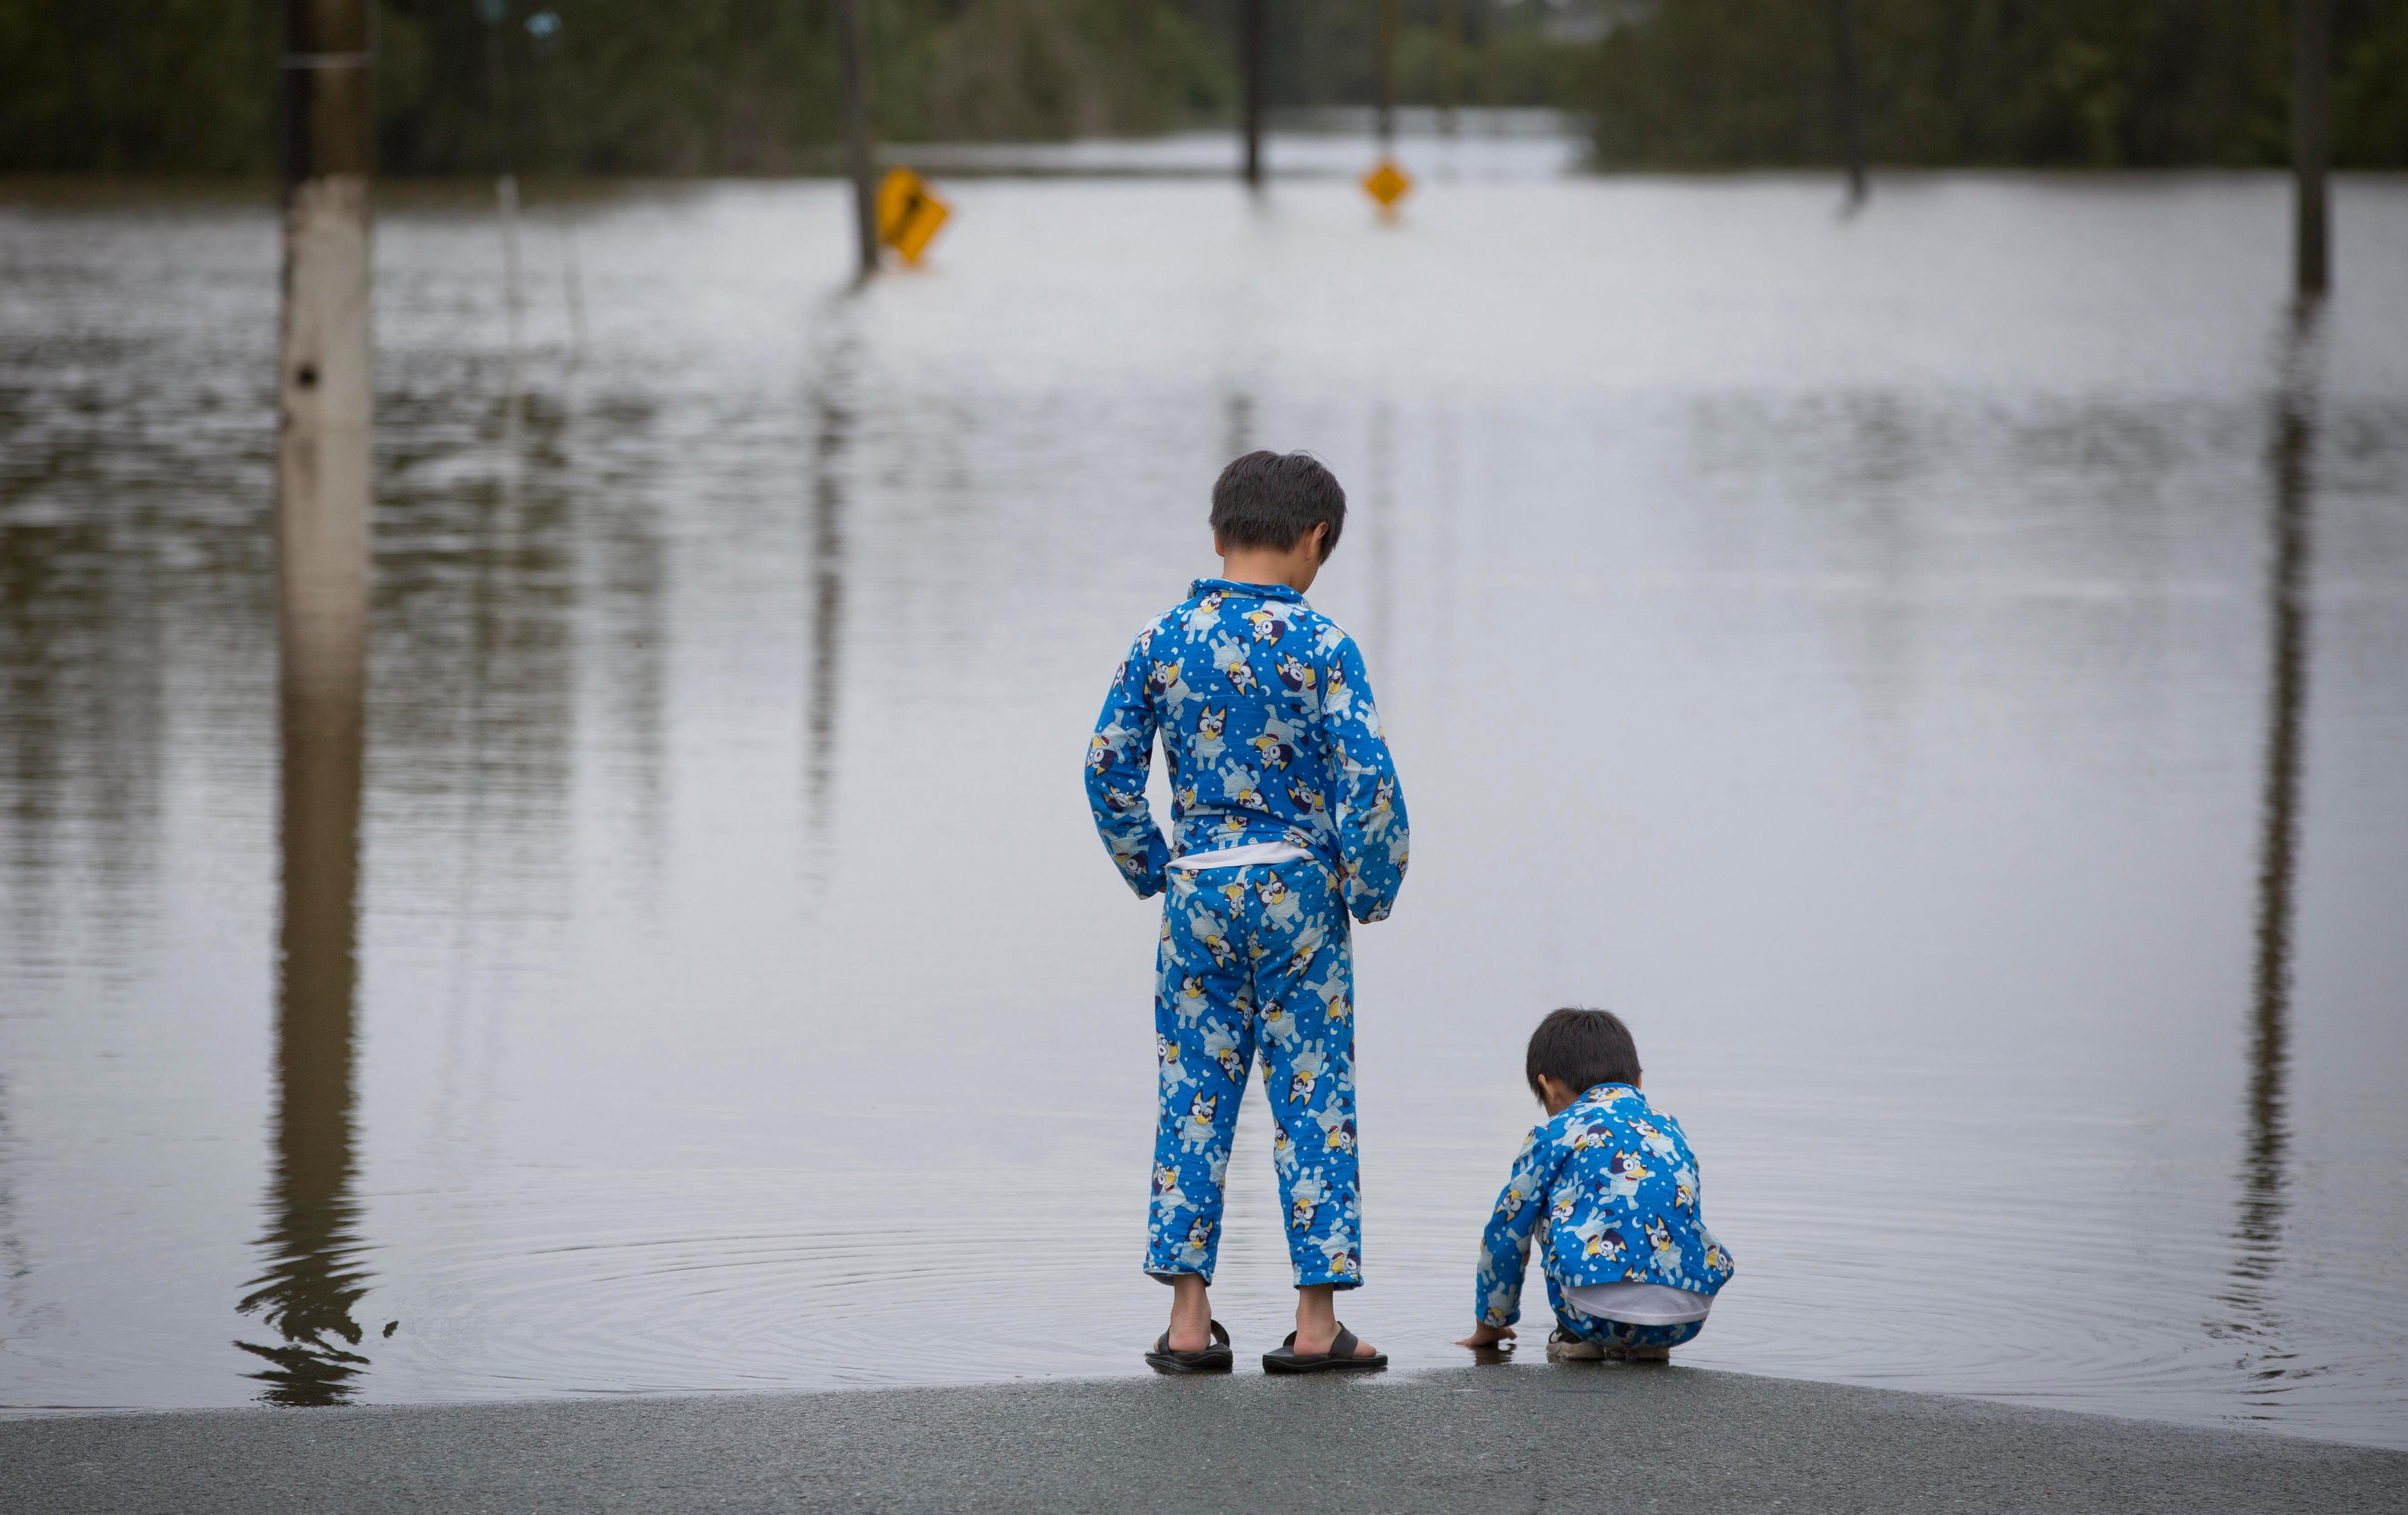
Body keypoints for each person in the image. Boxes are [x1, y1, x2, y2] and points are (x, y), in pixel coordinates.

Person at [1086, 451, 1409, 1375]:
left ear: (1218, 534)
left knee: (1193, 1096)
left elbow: (1107, 765)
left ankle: (1189, 1322)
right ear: (1315, 541)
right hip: (1300, 893)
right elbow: (1370, 783)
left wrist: (1152, 866)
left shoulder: (1160, 638)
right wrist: (1371, 888)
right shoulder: (1325, 646)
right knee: (1313, 1096)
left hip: (1198, 889)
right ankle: (1316, 1325)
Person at [1459, 1008, 1736, 1363]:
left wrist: (1492, 1321)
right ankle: (1648, 1342)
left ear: (1547, 1087)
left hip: (1591, 1313)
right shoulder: (1670, 1130)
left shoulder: (1554, 1132)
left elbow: (1505, 1235)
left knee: (1533, 1203)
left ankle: (1575, 1337)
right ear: (1638, 1080)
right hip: (1686, 1314)